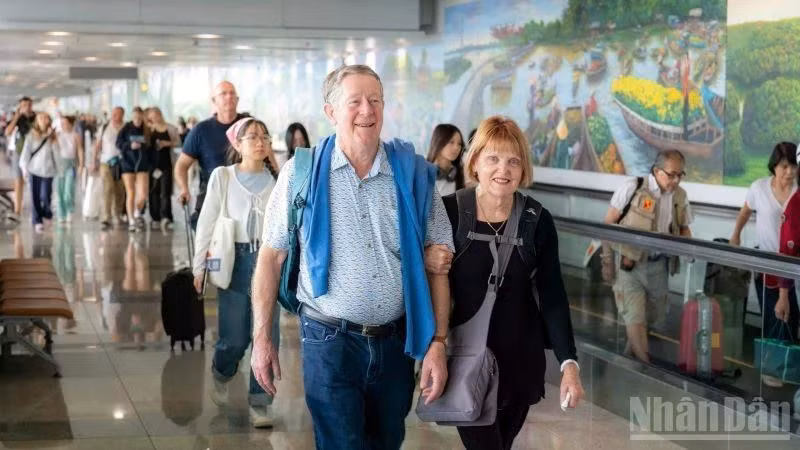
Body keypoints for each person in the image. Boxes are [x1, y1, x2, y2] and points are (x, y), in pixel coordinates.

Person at [251, 65, 453, 449]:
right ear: (331, 111)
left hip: (397, 342)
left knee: (387, 442)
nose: (367, 111)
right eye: (355, 101)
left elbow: (439, 266)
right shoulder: (300, 174)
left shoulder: (412, 175)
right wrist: (262, 338)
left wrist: (437, 344)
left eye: (375, 100)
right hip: (328, 340)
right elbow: (271, 257)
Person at [426, 116, 584, 449]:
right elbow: (422, 280)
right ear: (475, 162)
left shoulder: (536, 221)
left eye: (513, 161)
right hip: (465, 360)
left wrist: (569, 363)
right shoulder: (449, 212)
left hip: (521, 363)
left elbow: (553, 295)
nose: (504, 169)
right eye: (493, 158)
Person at [192, 117, 280, 428]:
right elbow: (206, 222)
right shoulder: (223, 177)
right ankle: (221, 369)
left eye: (264, 136)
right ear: (237, 143)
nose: (260, 141)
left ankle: (261, 402)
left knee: (267, 335)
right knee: (235, 337)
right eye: (252, 136)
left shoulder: (278, 180)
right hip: (233, 259)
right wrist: (199, 267)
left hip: (268, 262)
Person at [601, 150, 692, 363]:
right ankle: (648, 369)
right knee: (635, 317)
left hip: (659, 266)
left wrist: (691, 252)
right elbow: (607, 223)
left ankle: (630, 355)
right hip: (629, 265)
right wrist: (606, 260)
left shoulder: (680, 196)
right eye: (671, 174)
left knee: (653, 317)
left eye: (680, 174)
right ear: (656, 171)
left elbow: (685, 228)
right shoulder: (633, 187)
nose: (676, 180)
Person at [175, 81, 249, 227]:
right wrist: (184, 188)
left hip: (245, 200)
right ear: (214, 101)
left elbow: (268, 158)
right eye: (223, 93)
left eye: (232, 93)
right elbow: (181, 165)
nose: (229, 97)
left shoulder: (249, 126)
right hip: (211, 201)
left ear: (238, 99)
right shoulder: (201, 130)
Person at [19, 112, 59, 232]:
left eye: (45, 117)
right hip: (34, 170)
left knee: (46, 195)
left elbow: (57, 152)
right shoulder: (31, 135)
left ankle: (46, 213)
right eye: (40, 118)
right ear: (37, 121)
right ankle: (37, 220)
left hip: (48, 170)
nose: (43, 119)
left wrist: (53, 138)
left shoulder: (53, 135)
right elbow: (25, 153)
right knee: (35, 196)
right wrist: (24, 169)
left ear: (48, 120)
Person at [116, 107, 152, 232]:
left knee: (143, 194)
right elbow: (118, 143)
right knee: (130, 193)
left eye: (139, 116)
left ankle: (137, 212)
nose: (137, 119)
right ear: (132, 117)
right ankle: (131, 220)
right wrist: (129, 145)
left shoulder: (147, 129)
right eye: (134, 116)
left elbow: (150, 147)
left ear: (142, 116)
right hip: (127, 165)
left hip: (142, 165)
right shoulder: (126, 128)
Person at [146, 107, 181, 230]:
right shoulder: (149, 130)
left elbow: (178, 142)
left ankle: (166, 216)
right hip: (152, 165)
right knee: (153, 191)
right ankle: (155, 216)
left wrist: (167, 143)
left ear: (160, 114)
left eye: (157, 114)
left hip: (166, 164)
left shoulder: (170, 128)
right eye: (152, 115)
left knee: (165, 191)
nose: (155, 117)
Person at [91, 106, 126, 230]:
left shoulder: (126, 127)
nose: (115, 116)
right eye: (114, 114)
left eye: (118, 114)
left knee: (120, 190)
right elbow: (97, 145)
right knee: (107, 188)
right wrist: (94, 161)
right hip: (106, 162)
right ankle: (106, 217)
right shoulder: (104, 127)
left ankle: (117, 213)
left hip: (122, 163)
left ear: (123, 115)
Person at [4, 96, 36, 221]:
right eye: (24, 105)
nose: (27, 107)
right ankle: (17, 209)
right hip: (19, 150)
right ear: (20, 107)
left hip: (33, 152)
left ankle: (35, 207)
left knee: (33, 180)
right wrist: (16, 117)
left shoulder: (36, 118)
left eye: (28, 105)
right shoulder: (18, 118)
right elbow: (7, 132)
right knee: (18, 181)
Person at [55, 115, 84, 224]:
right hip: (60, 165)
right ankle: (61, 214)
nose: (63, 125)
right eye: (62, 123)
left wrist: (81, 165)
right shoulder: (57, 135)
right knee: (60, 190)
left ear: (71, 124)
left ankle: (69, 210)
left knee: (69, 190)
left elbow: (80, 150)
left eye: (65, 123)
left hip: (71, 165)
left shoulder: (76, 136)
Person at [426, 123, 465, 196]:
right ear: (439, 141)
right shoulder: (423, 172)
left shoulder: (458, 173)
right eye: (451, 142)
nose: (456, 147)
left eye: (459, 144)